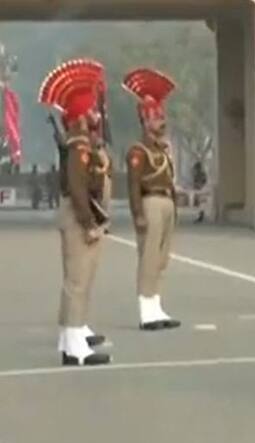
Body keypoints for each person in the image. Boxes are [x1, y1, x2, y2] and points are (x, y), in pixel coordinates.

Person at [38, 58, 111, 365]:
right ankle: (73, 345)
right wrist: (89, 222)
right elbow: (79, 190)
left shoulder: (82, 146)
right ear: (80, 118)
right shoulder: (79, 148)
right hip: (79, 218)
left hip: (82, 217)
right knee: (78, 280)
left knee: (79, 279)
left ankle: (73, 336)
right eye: (91, 111)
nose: (96, 116)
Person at [123, 68, 181, 331]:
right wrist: (137, 214)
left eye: (161, 116)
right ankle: (146, 309)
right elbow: (133, 185)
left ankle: (156, 305)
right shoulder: (139, 150)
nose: (161, 121)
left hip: (166, 202)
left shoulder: (162, 148)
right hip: (150, 202)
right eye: (156, 118)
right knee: (148, 257)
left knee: (161, 258)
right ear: (145, 121)